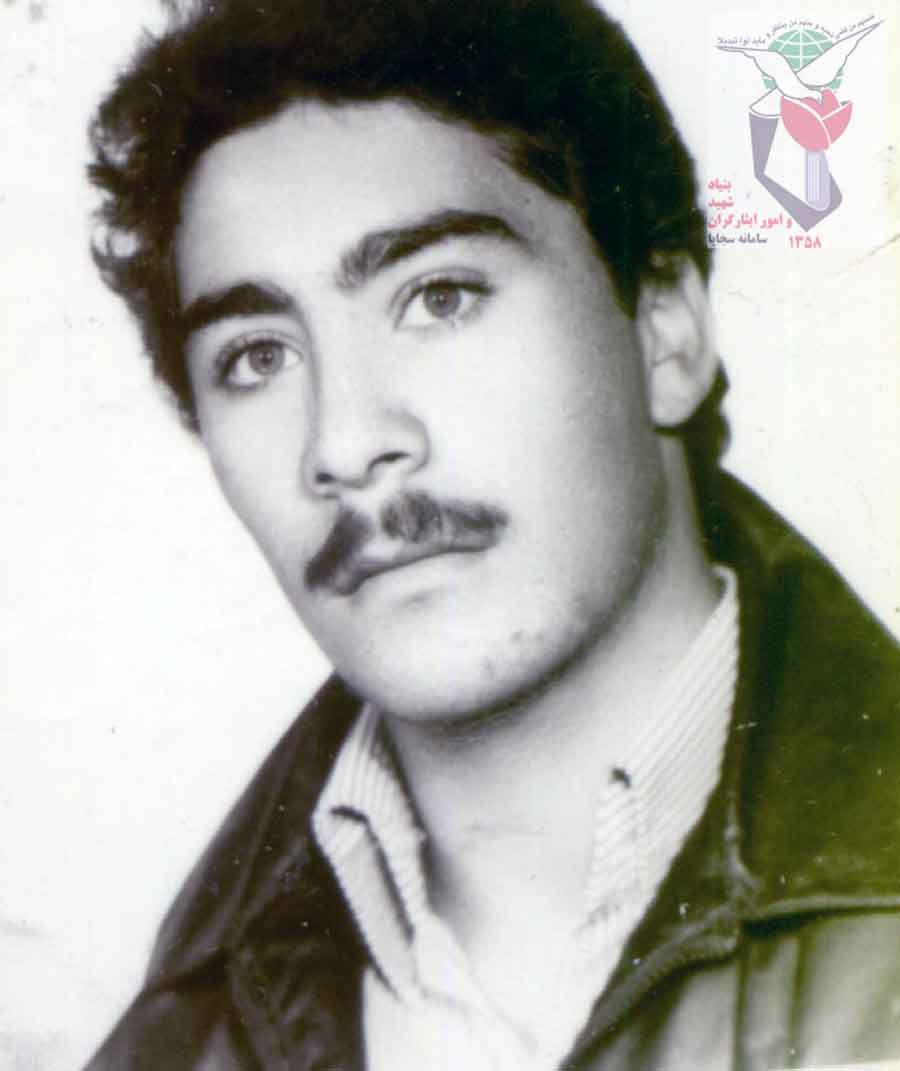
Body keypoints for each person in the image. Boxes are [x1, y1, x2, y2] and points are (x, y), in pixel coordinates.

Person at [84, 1, 900, 1067]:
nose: (346, 442)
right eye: (257, 357)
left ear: (665, 330)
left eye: (439, 297)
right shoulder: (173, 1043)